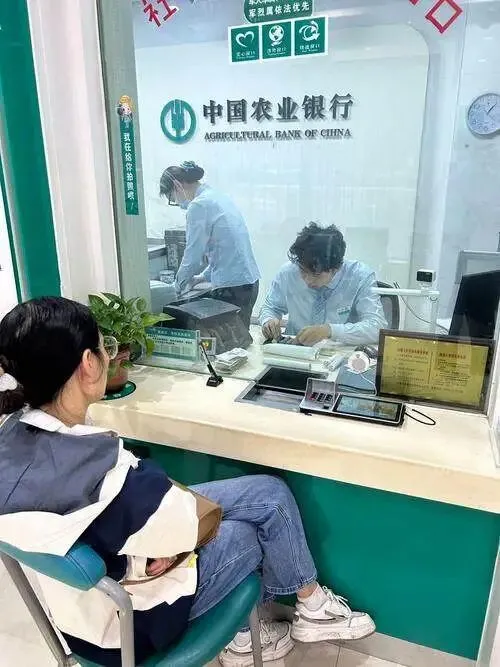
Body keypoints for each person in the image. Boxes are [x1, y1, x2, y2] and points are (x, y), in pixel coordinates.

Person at [0, 297, 375, 667]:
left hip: (83, 607)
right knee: (249, 532)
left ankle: (306, 609)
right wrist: (164, 547)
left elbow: (121, 519)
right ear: (88, 364)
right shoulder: (102, 472)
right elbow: (182, 523)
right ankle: (250, 637)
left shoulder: (11, 437)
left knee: (269, 494)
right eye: (105, 347)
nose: (109, 355)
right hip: (128, 626)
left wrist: (151, 545)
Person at [160, 161, 260, 331]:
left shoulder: (198, 205)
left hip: (232, 289)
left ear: (177, 186)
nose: (177, 203)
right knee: (240, 338)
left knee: (229, 343)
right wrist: (202, 277)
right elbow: (225, 249)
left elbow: (192, 256)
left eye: (172, 198)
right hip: (248, 283)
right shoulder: (216, 196)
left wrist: (176, 287)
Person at [260, 223, 387, 346]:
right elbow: (271, 307)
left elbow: (377, 327)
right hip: (294, 351)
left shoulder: (359, 277)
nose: (308, 280)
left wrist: (330, 330)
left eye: (316, 275)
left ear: (335, 268)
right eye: (303, 272)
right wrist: (268, 321)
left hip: (338, 354)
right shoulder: (288, 273)